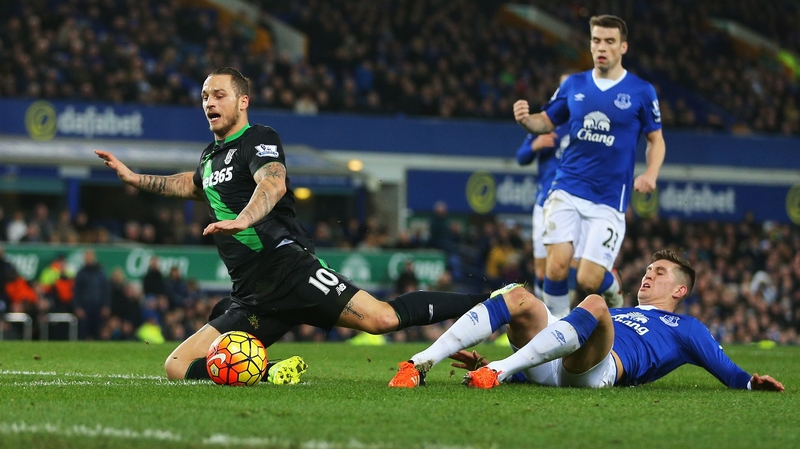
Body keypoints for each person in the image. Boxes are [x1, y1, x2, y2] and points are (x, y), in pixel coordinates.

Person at [95, 66, 488, 383]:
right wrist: (137, 179)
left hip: (287, 269)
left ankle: (490, 302)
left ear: (242, 101)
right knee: (176, 366)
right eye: (204, 96)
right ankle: (271, 373)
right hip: (252, 295)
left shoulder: (258, 138)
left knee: (381, 319)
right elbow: (193, 185)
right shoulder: (210, 157)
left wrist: (244, 219)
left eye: (218, 95)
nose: (208, 102)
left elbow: (273, 181)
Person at [388, 250, 784, 393]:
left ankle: (500, 370)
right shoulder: (624, 310)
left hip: (596, 371)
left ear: (680, 290)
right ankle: (419, 363)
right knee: (519, 296)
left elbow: (729, 373)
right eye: (648, 268)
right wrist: (524, 370)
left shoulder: (688, 329)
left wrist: (752, 382)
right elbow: (561, 339)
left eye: (660, 272)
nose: (648, 274)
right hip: (553, 365)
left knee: (594, 303)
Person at [513, 15, 665, 318]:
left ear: (623, 47)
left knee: (587, 279)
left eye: (609, 41)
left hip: (609, 198)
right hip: (567, 186)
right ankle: (553, 333)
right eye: (596, 40)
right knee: (555, 266)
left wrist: (650, 174)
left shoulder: (641, 91)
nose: (601, 47)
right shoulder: (574, 84)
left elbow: (655, 140)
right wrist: (527, 121)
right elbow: (546, 120)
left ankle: (612, 286)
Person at [517, 72, 623, 310]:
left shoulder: (588, 124)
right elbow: (521, 157)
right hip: (545, 202)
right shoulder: (545, 124)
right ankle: (543, 322)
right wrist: (535, 145)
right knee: (543, 270)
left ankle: (571, 315)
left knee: (577, 267)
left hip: (578, 199)